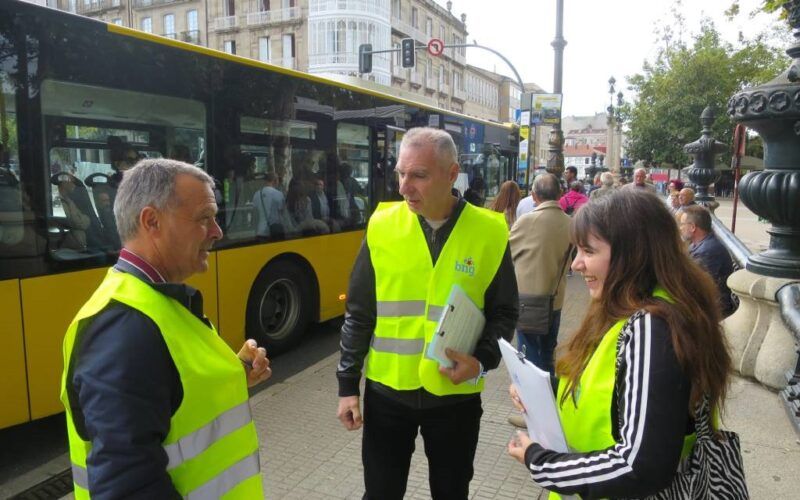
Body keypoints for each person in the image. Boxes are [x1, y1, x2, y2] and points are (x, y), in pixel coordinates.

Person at [60, 159, 271, 498]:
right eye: (204, 218)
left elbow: (173, 393)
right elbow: (127, 487)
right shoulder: (122, 328)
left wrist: (233, 375)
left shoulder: (151, 302)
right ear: (152, 221)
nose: (217, 231)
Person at [507, 189, 732, 498]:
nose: (576, 264)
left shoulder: (652, 328)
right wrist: (544, 391)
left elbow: (639, 465)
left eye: (588, 251)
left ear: (633, 255)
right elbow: (614, 391)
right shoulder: (647, 309)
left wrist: (541, 462)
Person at [336, 127, 518, 500]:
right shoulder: (382, 225)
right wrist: (347, 386)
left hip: (455, 399)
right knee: (380, 494)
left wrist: (481, 361)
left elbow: (504, 312)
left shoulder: (489, 231)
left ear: (452, 175)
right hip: (387, 394)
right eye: (400, 173)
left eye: (419, 175)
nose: (404, 187)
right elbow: (359, 312)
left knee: (451, 493)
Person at [509, 174, 571, 375]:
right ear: (560, 194)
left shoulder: (527, 221)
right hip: (556, 298)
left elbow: (507, 253)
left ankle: (533, 391)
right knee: (547, 351)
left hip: (529, 301)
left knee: (528, 353)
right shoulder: (570, 222)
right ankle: (549, 388)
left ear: (534, 196)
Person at [680, 205, 737, 317]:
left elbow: (697, 287)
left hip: (713, 309)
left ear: (692, 227)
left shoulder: (707, 251)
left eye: (682, 224)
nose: (680, 228)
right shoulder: (698, 244)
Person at [252, 171, 287, 238]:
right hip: (276, 232)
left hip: (261, 232)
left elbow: (255, 215)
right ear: (275, 181)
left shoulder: (256, 194)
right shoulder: (279, 194)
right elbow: (283, 214)